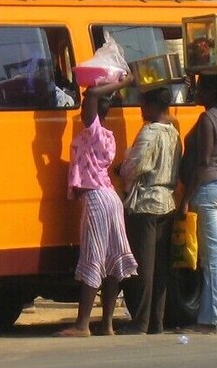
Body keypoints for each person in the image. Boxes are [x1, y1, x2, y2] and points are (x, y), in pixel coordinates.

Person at [57, 75, 138, 337]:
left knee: (93, 257)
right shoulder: (107, 136)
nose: (82, 108)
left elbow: (91, 96)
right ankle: (107, 324)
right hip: (110, 197)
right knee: (112, 260)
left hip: (96, 199)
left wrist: (124, 82)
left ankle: (82, 325)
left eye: (85, 107)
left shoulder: (92, 132)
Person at [118, 87, 181, 335]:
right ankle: (157, 321)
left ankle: (140, 321)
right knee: (161, 267)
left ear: (153, 105)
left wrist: (120, 168)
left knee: (144, 266)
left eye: (143, 104)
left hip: (145, 202)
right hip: (167, 200)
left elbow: (134, 167)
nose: (141, 109)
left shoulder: (149, 131)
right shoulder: (174, 133)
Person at [179, 74, 217, 334]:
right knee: (215, 257)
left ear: (211, 91)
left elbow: (203, 162)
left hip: (209, 189)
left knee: (210, 259)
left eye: (201, 88)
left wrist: (187, 197)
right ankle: (215, 315)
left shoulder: (207, 119)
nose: (197, 92)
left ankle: (212, 320)